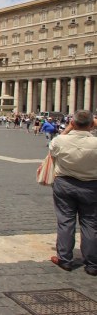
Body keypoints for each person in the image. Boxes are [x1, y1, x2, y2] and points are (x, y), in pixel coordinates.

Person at [48, 110, 97, 276]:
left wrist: (68, 129)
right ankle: (92, 264)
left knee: (65, 222)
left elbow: (52, 149)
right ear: (91, 125)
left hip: (65, 185)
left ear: (73, 123)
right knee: (91, 224)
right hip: (92, 186)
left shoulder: (61, 140)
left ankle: (65, 259)